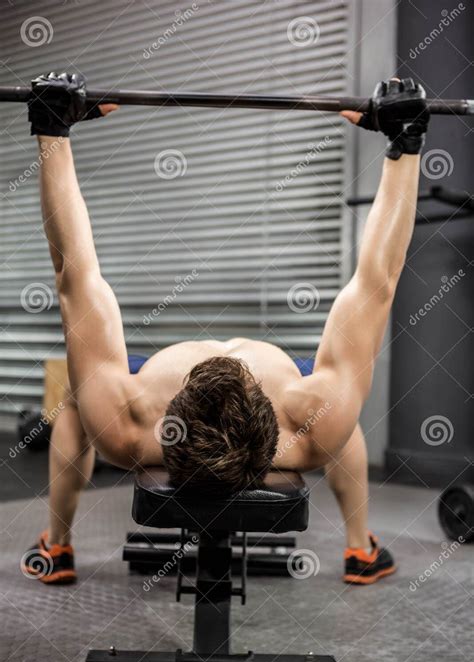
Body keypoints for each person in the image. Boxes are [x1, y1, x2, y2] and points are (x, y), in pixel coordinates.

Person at [22, 73, 429, 586]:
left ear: (170, 422)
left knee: (78, 407)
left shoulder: (126, 426)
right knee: (336, 417)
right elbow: (378, 281)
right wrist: (405, 144)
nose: (226, 368)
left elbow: (74, 275)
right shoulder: (306, 422)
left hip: (162, 393)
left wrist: (52, 135)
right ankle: (360, 548)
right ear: (267, 426)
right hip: (303, 409)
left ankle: (56, 544)